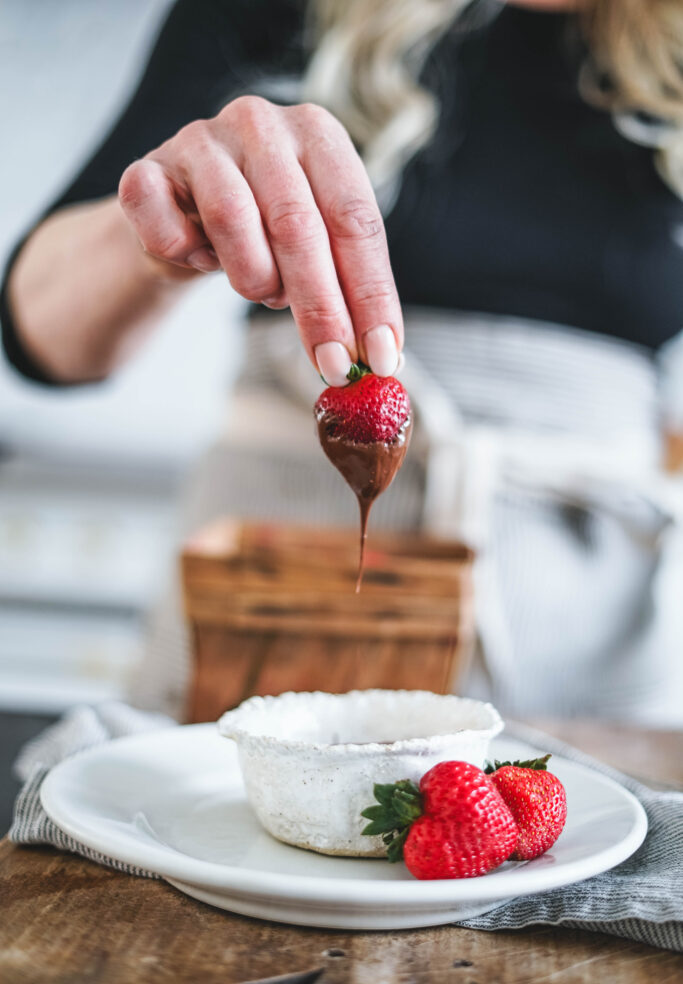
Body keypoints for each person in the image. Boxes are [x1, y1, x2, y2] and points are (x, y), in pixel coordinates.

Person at [2, 0, 682, 722]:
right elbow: (46, 341)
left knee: (582, 825)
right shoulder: (289, 14)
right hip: (274, 612)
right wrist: (160, 222)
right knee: (222, 807)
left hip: (584, 640)